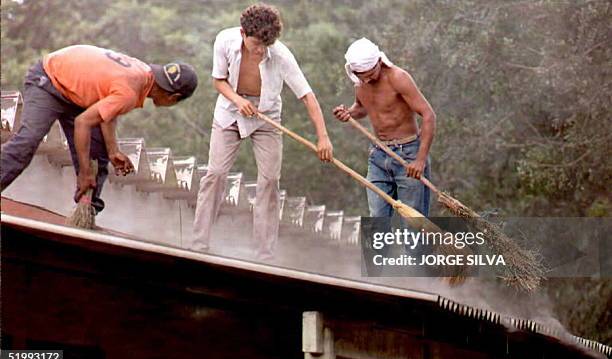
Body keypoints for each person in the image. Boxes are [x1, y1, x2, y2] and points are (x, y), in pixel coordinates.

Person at [193, 3, 333, 259]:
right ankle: (199, 243)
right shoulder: (224, 40)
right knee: (215, 174)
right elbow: (217, 80)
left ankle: (264, 254)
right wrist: (237, 100)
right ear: (243, 33)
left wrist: (323, 137)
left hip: (266, 116)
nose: (259, 51)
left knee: (269, 181)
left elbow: (307, 96)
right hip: (230, 111)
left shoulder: (280, 55)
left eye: (264, 46)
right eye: (255, 44)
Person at [0, 45, 198, 213]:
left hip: (76, 94)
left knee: (98, 155)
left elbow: (107, 111)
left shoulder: (143, 74)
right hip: (49, 80)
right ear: (173, 98)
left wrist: (113, 150)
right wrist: (84, 172)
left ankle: (85, 214)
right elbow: (82, 123)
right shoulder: (131, 91)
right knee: (28, 141)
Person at [333, 38, 436, 217]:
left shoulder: (398, 78)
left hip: (408, 154)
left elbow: (429, 115)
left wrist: (420, 160)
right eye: (361, 75)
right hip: (378, 155)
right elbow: (362, 107)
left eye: (370, 73)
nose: (367, 79)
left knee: (413, 223)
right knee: (377, 217)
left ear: (379, 62)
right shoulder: (360, 83)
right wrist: (348, 113)